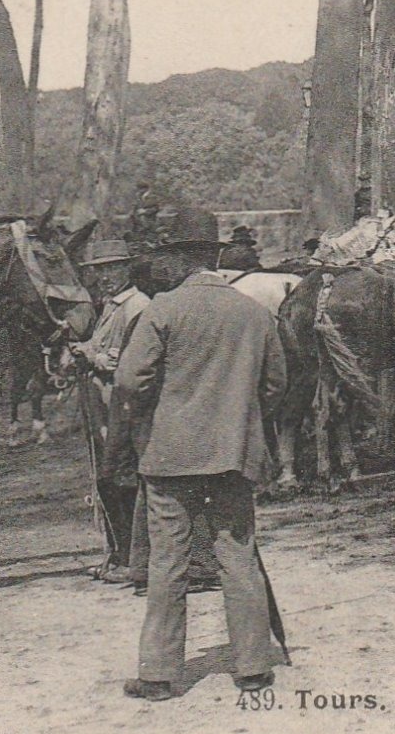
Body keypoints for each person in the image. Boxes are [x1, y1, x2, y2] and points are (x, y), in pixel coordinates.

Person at [115, 207, 286, 702]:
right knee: (238, 555)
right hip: (234, 453)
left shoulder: (162, 311)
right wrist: (244, 419)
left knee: (169, 562)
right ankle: (253, 666)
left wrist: (146, 418)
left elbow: (130, 380)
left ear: (177, 260)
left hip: (170, 455)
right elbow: (276, 384)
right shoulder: (254, 313)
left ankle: (160, 674)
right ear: (213, 255)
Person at [72, 239, 150, 582]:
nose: (104, 276)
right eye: (99, 270)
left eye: (111, 268)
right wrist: (82, 347)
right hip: (103, 404)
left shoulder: (137, 307)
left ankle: (131, 558)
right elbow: (104, 345)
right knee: (107, 479)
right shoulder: (111, 305)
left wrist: (92, 357)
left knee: (121, 478)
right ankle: (117, 555)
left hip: (123, 403)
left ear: (126, 269)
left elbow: (130, 359)